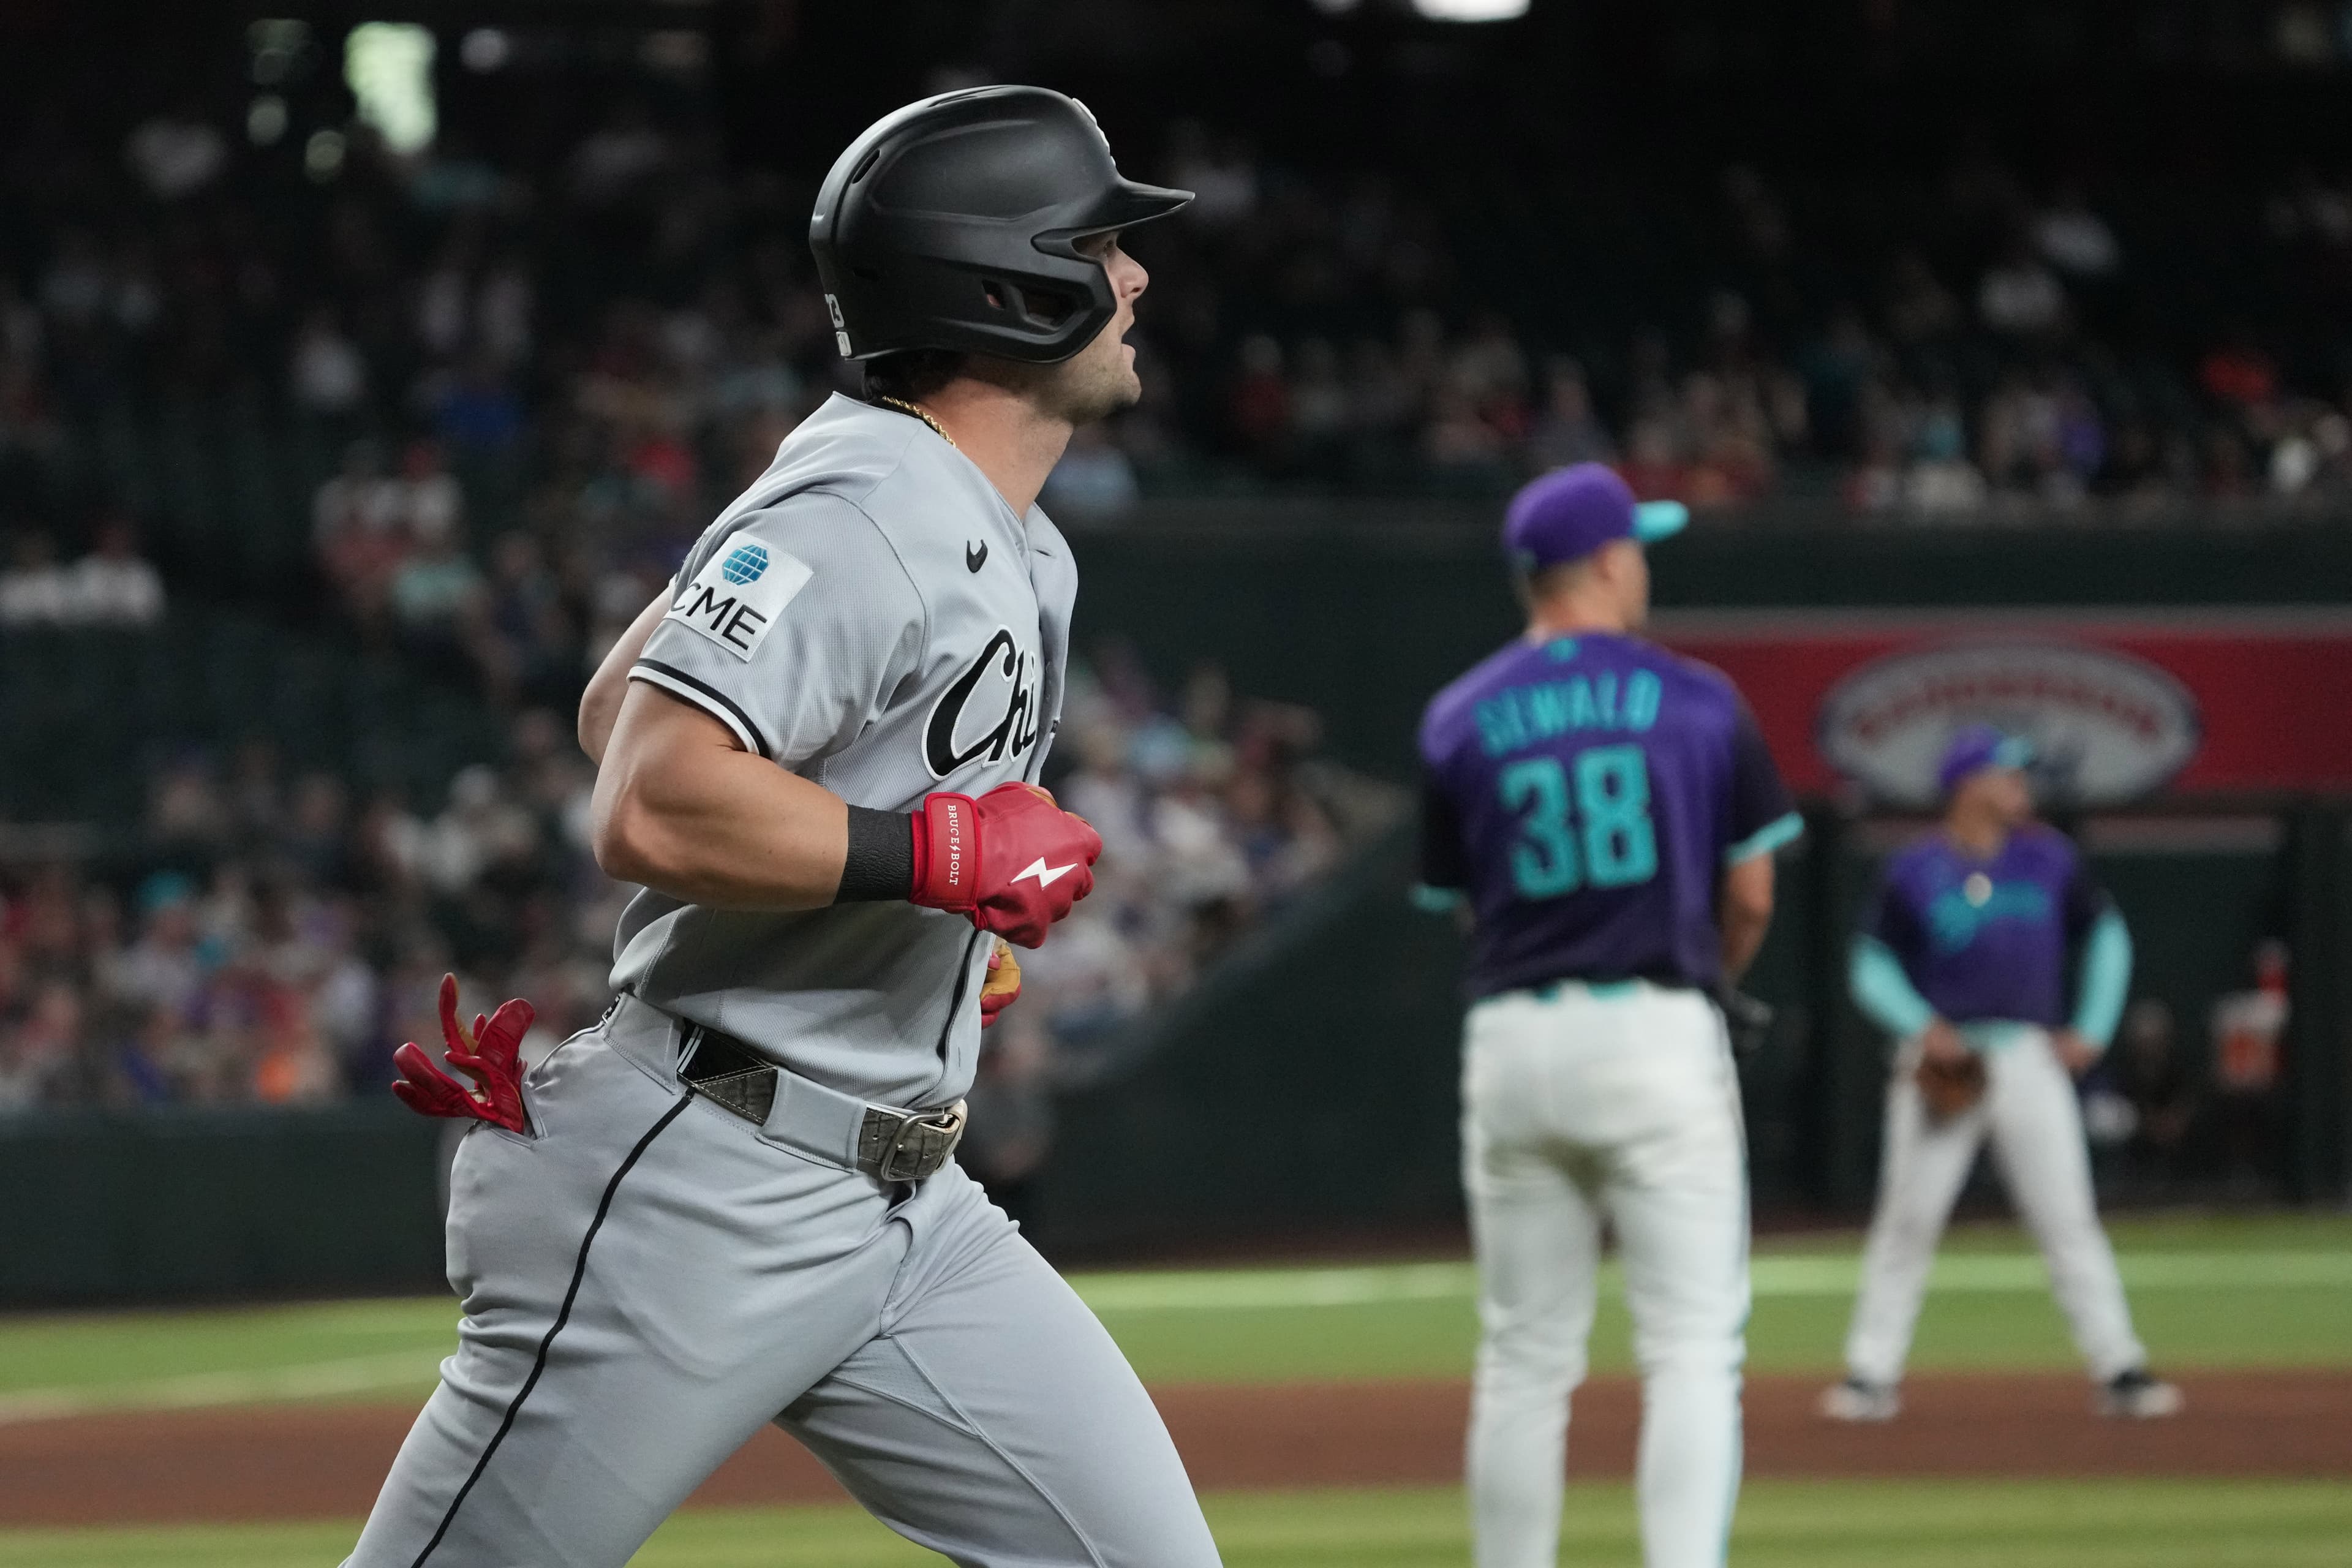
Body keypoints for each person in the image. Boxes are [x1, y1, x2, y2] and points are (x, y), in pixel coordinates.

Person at [344, 88, 1221, 1568]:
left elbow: (610, 705)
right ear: (1008, 286)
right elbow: (646, 787)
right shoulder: (864, 505)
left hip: (906, 1205)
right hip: (705, 1183)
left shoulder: (973, 520)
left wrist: (921, 928)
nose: (1134, 276)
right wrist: (932, 861)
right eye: (1097, 246)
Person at [1415, 463, 1800, 1568]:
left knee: (1523, 1359)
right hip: (1655, 1028)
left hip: (1513, 1039)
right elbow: (1752, 894)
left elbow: (1465, 906)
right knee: (1691, 1350)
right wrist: (1713, 977)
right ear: (1605, 564)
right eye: (1636, 547)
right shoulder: (1698, 698)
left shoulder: (1458, 715)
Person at [1820, 726, 2182, 1422]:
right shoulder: (1915, 869)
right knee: (1909, 1222)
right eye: (2006, 774)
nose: (2020, 785)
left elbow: (2106, 936)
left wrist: (2093, 1026)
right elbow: (1870, 964)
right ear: (1967, 785)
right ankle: (1870, 1372)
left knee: (2068, 1219)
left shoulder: (2048, 858)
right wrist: (1919, 1024)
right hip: (1946, 1058)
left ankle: (2119, 1365)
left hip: (2026, 1056)